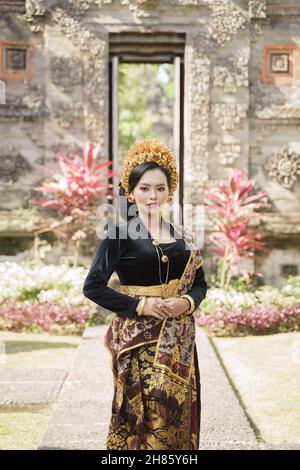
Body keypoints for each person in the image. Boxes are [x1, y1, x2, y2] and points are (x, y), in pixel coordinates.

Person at [83, 138, 207, 450]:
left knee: (175, 414)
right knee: (144, 415)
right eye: (145, 188)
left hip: (178, 341)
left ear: (170, 191)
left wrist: (186, 301)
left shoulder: (183, 238)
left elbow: (200, 284)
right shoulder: (119, 235)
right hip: (137, 341)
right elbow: (93, 286)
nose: (153, 195)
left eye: (160, 188)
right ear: (130, 191)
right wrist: (141, 306)